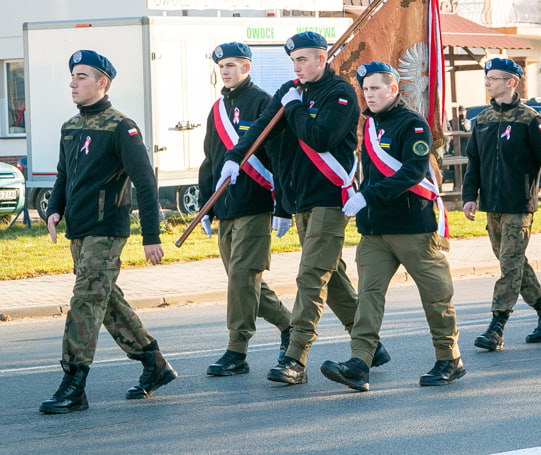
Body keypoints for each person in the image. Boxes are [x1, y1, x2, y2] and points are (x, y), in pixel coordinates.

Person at [221, 32, 389, 386]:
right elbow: (261, 131)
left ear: (322, 59)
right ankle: (371, 346)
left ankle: (295, 358)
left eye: (302, 60)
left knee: (311, 276)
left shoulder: (339, 94)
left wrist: (295, 105)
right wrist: (236, 157)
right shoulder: (289, 90)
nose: (296, 67)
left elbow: (319, 138)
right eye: (293, 61)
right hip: (299, 200)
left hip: (329, 199)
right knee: (335, 278)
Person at [40, 50, 176, 414]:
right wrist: (54, 210)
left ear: (102, 83)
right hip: (79, 231)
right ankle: (154, 363)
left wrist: (151, 237)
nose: (73, 82)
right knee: (105, 297)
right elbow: (64, 176)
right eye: (72, 76)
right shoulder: (70, 127)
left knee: (85, 299)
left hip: (107, 230)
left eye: (82, 76)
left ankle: (74, 382)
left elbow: (146, 183)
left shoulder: (121, 127)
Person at [321, 62, 464, 391]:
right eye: (365, 89)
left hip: (413, 226)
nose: (369, 95)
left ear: (393, 89)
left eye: (375, 88)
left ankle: (449, 359)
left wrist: (366, 196)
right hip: (375, 231)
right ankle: (359, 363)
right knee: (368, 298)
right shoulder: (369, 125)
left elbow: (412, 173)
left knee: (435, 296)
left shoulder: (412, 125)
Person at [463, 58, 541, 352]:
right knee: (514, 264)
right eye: (486, 77)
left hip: (519, 207)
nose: (487, 82)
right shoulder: (483, 120)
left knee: (509, 268)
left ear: (511, 82)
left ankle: (496, 326)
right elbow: (473, 162)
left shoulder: (529, 119)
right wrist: (468, 197)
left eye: (494, 78)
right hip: (492, 207)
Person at [198, 42, 293, 377]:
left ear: (246, 67)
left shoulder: (263, 103)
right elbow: (210, 160)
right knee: (244, 281)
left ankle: (236, 352)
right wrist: (205, 205)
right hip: (225, 206)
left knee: (242, 276)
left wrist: (283, 204)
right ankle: (290, 325)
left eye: (231, 66)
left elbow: (279, 157)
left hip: (255, 203)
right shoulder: (217, 109)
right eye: (221, 66)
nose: (225, 72)